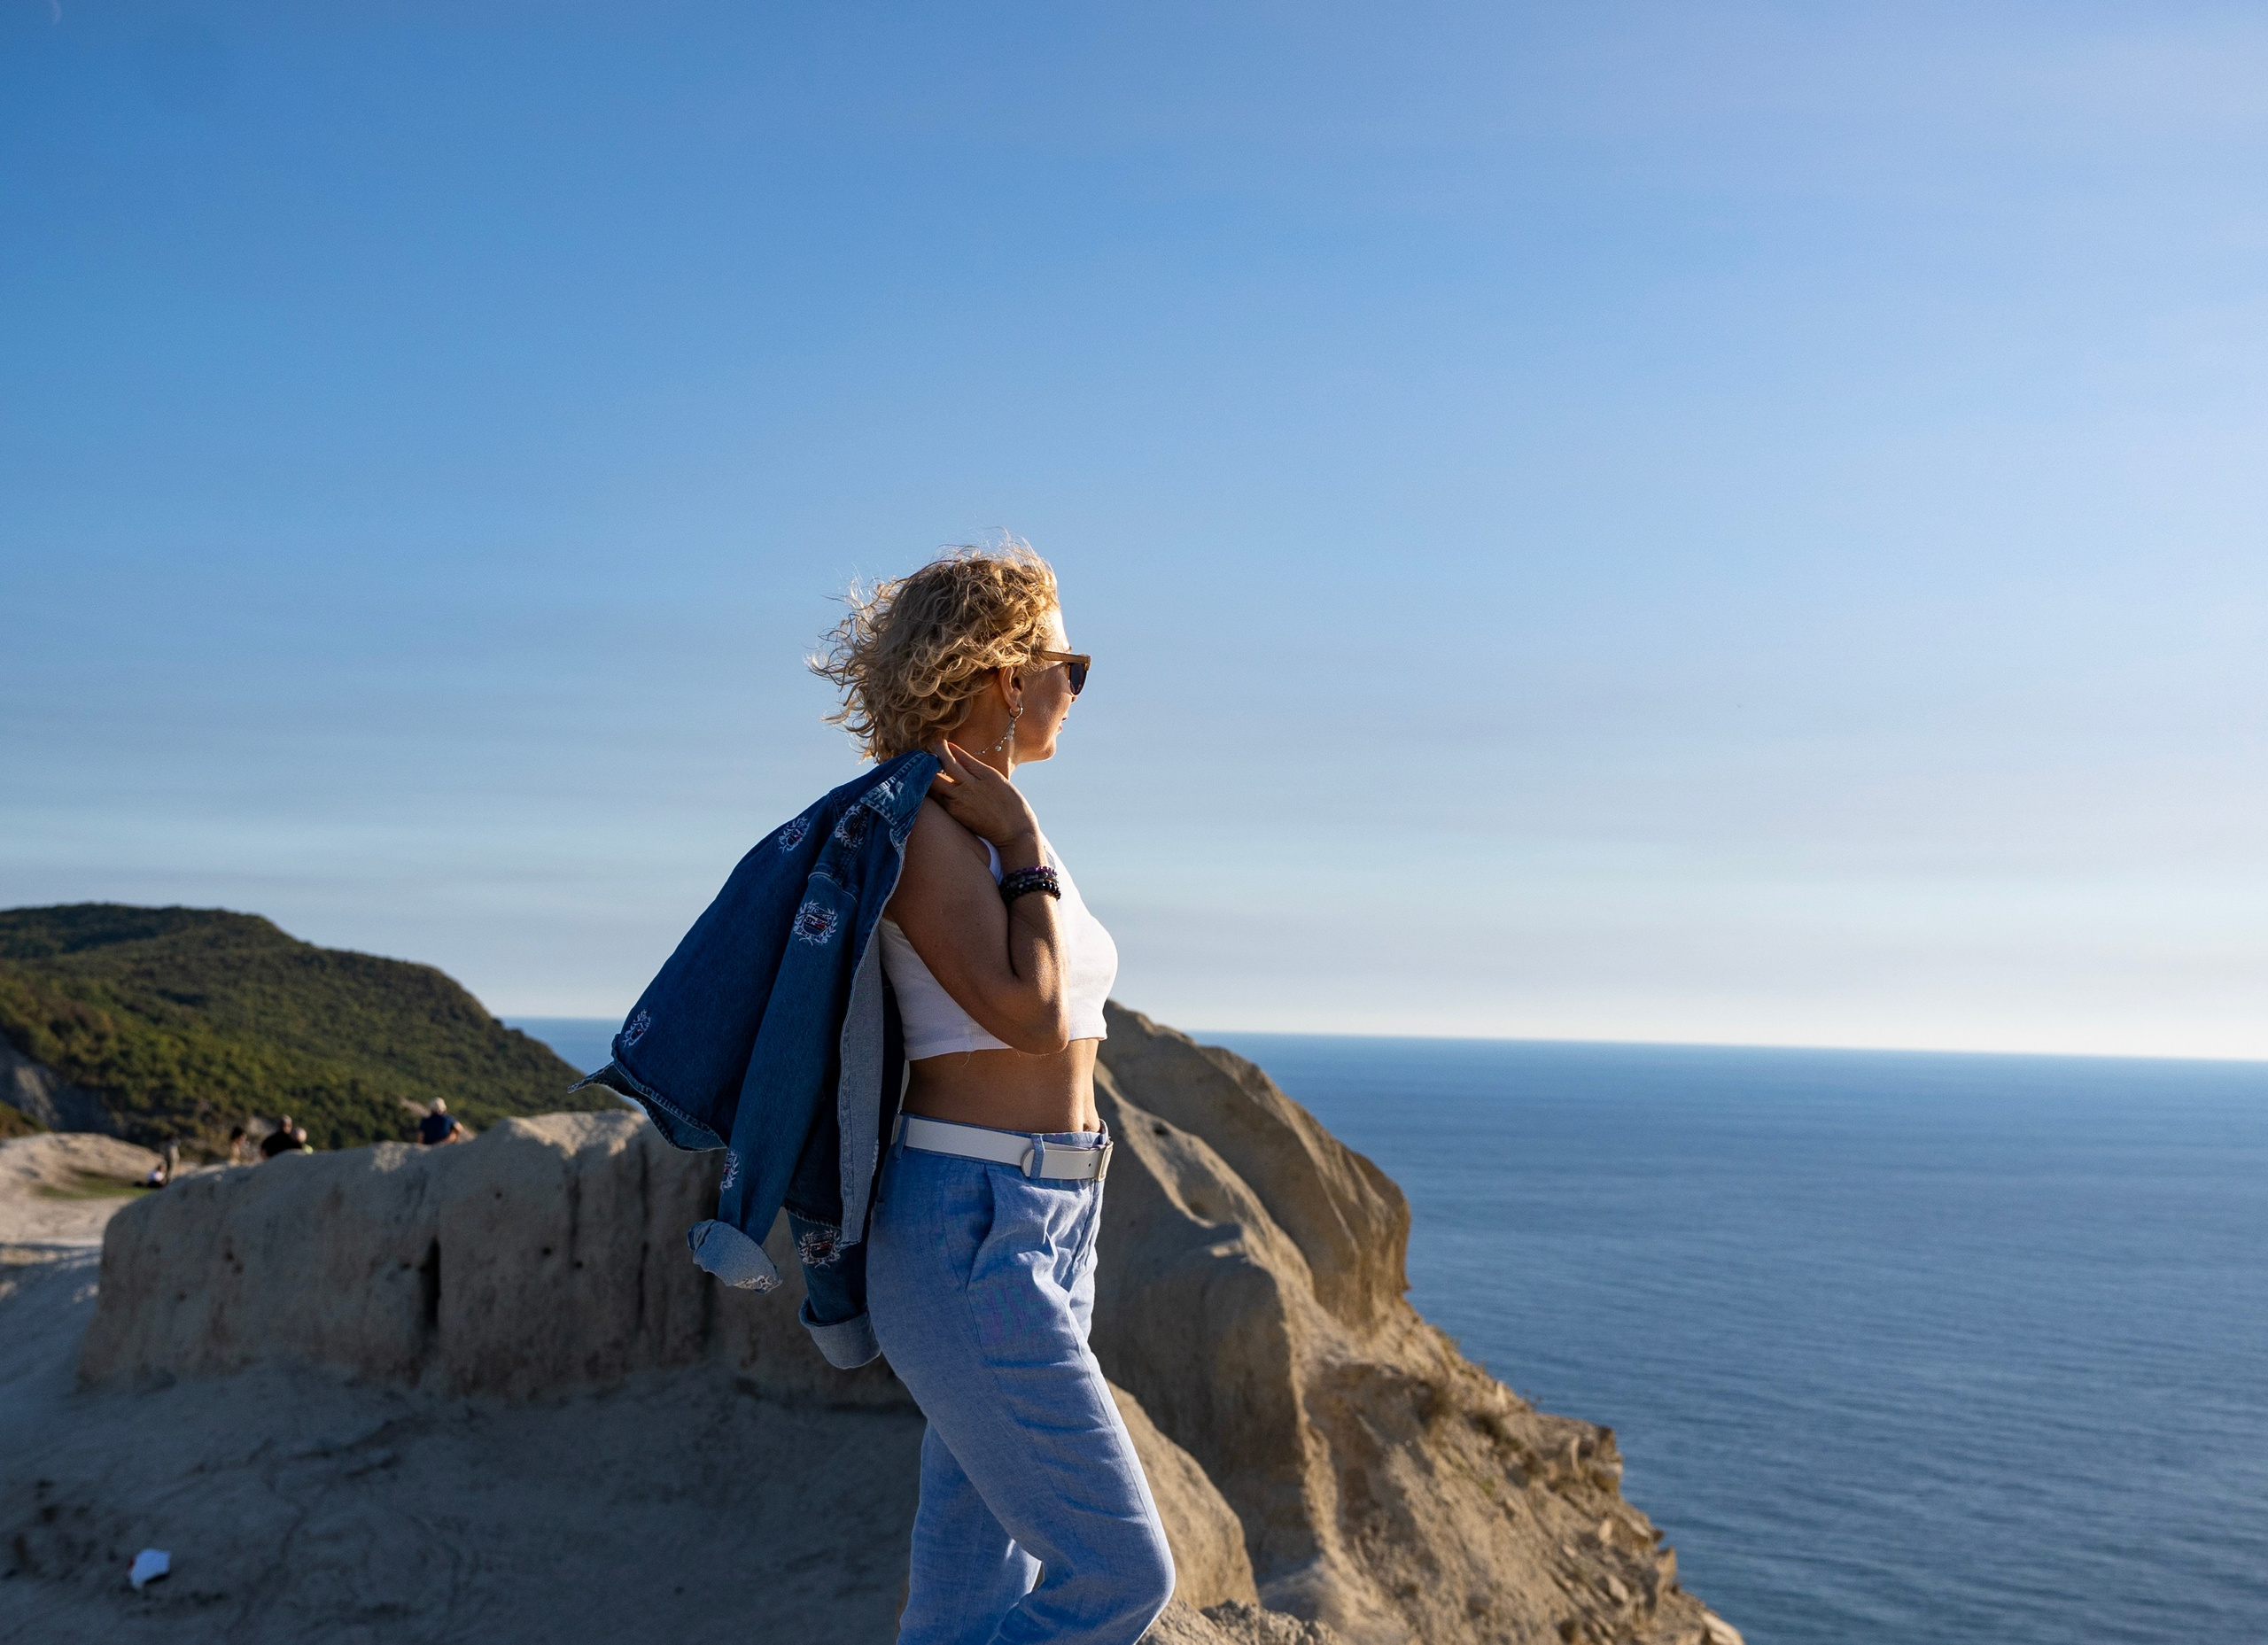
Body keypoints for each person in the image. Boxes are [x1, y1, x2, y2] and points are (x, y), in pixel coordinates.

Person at [808, 545, 1172, 1645]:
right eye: (1071, 663)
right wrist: (1018, 844)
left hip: (1055, 1219)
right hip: (973, 1225)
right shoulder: (927, 827)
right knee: (1120, 1573)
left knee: (973, 1580)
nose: (1077, 689)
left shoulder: (1001, 825)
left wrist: (1022, 840)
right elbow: (1027, 1011)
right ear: (1006, 675)